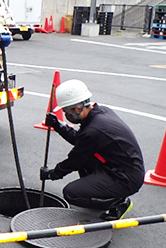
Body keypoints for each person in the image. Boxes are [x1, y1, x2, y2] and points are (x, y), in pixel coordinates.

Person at [40, 79, 144, 221]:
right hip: (117, 166)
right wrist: (58, 125)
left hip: (126, 178)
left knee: (71, 193)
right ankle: (102, 193)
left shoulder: (94, 130)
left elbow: (75, 159)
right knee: (86, 159)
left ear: (77, 108)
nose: (66, 115)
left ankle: (118, 202)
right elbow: (81, 141)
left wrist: (52, 174)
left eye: (66, 111)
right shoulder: (100, 113)